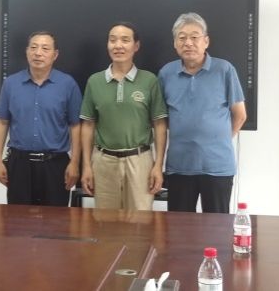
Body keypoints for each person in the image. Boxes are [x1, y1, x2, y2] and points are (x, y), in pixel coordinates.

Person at [158, 12, 247, 213]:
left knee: (216, 226)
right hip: (179, 166)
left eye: (194, 37)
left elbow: (240, 115)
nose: (188, 43)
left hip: (218, 166)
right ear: (175, 43)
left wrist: (220, 139)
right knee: (179, 227)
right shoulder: (166, 73)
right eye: (182, 37)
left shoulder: (224, 70)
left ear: (206, 41)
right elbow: (161, 119)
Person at [80, 22, 168, 210]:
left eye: (125, 40)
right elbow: (87, 125)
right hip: (104, 161)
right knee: (105, 222)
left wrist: (158, 165)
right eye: (112, 40)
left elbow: (159, 124)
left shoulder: (149, 80)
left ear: (136, 46)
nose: (118, 45)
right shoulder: (95, 81)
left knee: (140, 221)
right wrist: (86, 166)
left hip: (140, 161)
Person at [0, 31, 82, 206]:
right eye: (33, 47)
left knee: (55, 219)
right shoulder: (11, 84)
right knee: (18, 218)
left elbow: (75, 126)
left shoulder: (67, 84)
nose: (38, 53)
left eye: (45, 48)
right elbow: (2, 122)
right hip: (19, 164)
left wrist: (75, 163)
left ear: (55, 54)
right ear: (27, 52)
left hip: (55, 165)